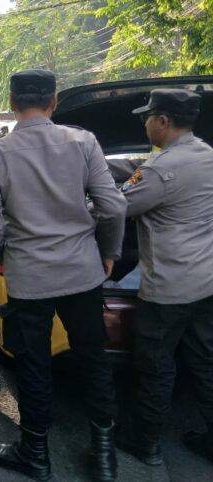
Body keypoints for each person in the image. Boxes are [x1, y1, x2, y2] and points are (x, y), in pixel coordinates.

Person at [0, 70, 126, 482]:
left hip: (29, 278)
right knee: (94, 360)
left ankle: (35, 454)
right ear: (54, 101)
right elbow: (113, 207)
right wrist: (108, 252)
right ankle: (105, 457)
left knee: (33, 364)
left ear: (12, 103)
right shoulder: (83, 142)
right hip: (83, 273)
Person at [105, 89, 213, 465]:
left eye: (147, 118)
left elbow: (114, 208)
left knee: (154, 365)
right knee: (205, 362)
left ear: (163, 121)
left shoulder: (158, 170)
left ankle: (144, 441)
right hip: (206, 283)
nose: (145, 124)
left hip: (168, 289)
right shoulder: (206, 154)